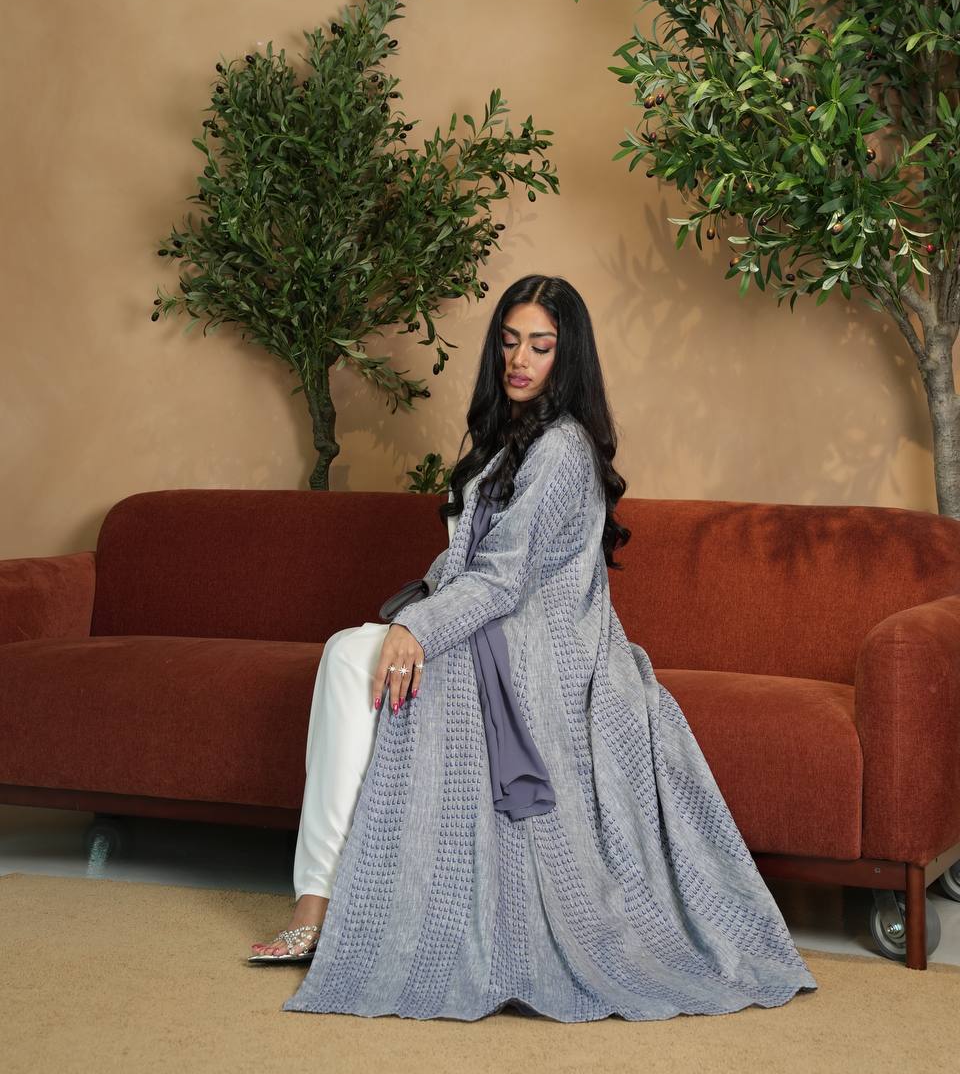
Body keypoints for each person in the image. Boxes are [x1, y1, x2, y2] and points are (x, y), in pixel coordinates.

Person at [249, 273, 819, 1022]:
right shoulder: (509, 440)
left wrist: (420, 627)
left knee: (354, 659)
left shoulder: (561, 449)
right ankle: (325, 901)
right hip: (497, 626)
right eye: (511, 342)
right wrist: (419, 614)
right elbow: (468, 562)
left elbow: (505, 576)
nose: (520, 360)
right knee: (353, 657)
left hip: (542, 650)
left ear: (566, 356)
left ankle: (322, 906)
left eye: (540, 346)